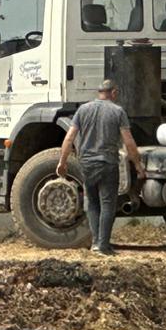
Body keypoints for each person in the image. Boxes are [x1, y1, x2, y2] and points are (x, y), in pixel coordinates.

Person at [57, 79, 146, 255]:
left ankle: (96, 243)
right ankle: (103, 245)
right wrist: (138, 165)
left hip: (87, 164)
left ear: (99, 92)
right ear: (113, 93)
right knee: (107, 204)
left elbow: (69, 138)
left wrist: (62, 161)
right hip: (108, 164)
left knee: (92, 203)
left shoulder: (83, 110)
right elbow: (129, 141)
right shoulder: (118, 111)